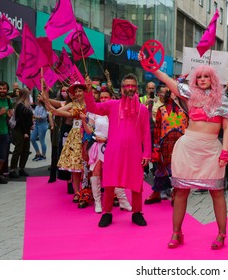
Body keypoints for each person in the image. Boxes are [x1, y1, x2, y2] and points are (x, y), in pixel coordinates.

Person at [142, 54, 228, 249]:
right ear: (195, 79)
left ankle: (221, 234)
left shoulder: (223, 100)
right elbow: (166, 79)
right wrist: (151, 66)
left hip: (211, 150)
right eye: (199, 77)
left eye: (206, 77)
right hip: (188, 148)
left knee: (217, 192)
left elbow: (227, 128)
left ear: (212, 79)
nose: (202, 80)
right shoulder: (189, 94)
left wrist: (225, 151)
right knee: (181, 191)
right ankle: (176, 233)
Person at [84, 73, 151, 227]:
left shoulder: (143, 110)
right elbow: (93, 107)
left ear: (137, 89)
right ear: (121, 89)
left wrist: (147, 153)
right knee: (109, 182)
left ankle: (137, 213)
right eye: (126, 86)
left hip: (134, 153)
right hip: (114, 151)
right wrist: (88, 92)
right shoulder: (112, 105)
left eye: (132, 86)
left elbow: (146, 133)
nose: (129, 88)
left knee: (136, 183)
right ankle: (107, 213)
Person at [81, 88, 132, 213]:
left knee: (114, 174)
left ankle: (123, 201)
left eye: (106, 97)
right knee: (96, 173)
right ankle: (98, 203)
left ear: (111, 98)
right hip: (96, 146)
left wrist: (107, 139)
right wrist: (83, 119)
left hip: (111, 146)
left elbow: (121, 130)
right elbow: (89, 131)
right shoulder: (94, 113)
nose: (103, 99)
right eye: (102, 97)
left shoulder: (117, 111)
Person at [43, 82, 86, 203]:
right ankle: (77, 192)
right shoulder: (72, 104)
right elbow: (56, 111)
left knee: (88, 166)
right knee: (76, 167)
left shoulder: (91, 103)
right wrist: (46, 100)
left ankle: (89, 190)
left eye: (80, 90)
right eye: (75, 91)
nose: (78, 93)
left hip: (89, 135)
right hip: (75, 136)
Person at [145, 87, 189, 204]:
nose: (174, 97)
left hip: (181, 145)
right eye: (172, 94)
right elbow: (157, 130)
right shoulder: (161, 109)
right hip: (164, 145)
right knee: (160, 169)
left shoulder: (185, 110)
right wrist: (156, 148)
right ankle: (157, 192)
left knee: (178, 170)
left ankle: (176, 192)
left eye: (176, 95)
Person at [9, 88, 34, 178]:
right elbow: (20, 121)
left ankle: (21, 168)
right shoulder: (20, 105)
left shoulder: (27, 105)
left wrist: (31, 125)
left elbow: (28, 119)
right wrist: (25, 132)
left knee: (26, 150)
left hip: (26, 130)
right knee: (18, 149)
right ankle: (12, 169)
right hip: (20, 130)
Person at [0, 81, 13, 185]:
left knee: (2, 157)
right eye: (0, 89)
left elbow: (10, 112)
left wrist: (10, 114)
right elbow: (0, 113)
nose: (2, 91)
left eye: (4, 89)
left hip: (5, 132)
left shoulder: (8, 100)